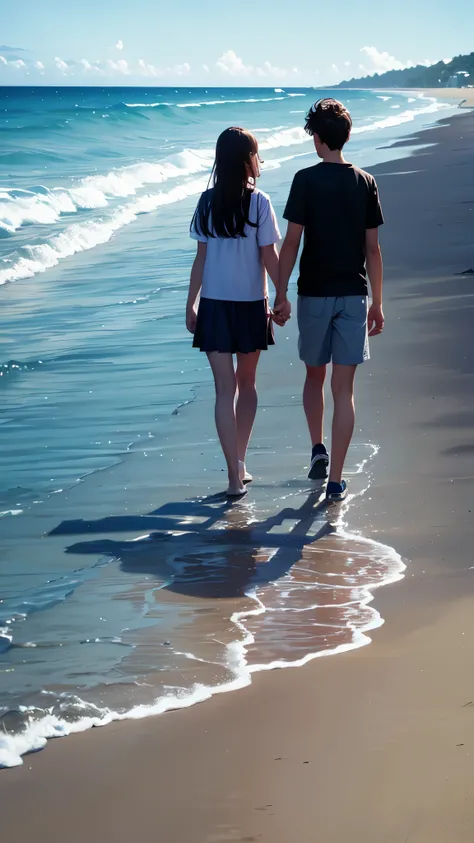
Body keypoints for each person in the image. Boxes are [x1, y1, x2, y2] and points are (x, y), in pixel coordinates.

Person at [274, 98, 384, 502]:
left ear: (316, 139)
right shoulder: (365, 181)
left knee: (314, 375)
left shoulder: (304, 179)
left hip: (314, 295)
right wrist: (378, 302)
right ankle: (336, 479)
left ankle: (317, 448)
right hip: (355, 296)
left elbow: (291, 242)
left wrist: (280, 292)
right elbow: (373, 249)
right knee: (345, 390)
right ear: (346, 137)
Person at [187, 127, 282, 498]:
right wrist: (283, 293)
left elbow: (201, 259)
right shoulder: (259, 202)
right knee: (247, 385)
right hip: (249, 306)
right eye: (256, 154)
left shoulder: (206, 202)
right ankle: (239, 462)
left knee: (224, 390)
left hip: (213, 305)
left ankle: (232, 474)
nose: (259, 161)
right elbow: (269, 256)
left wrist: (191, 302)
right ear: (246, 161)